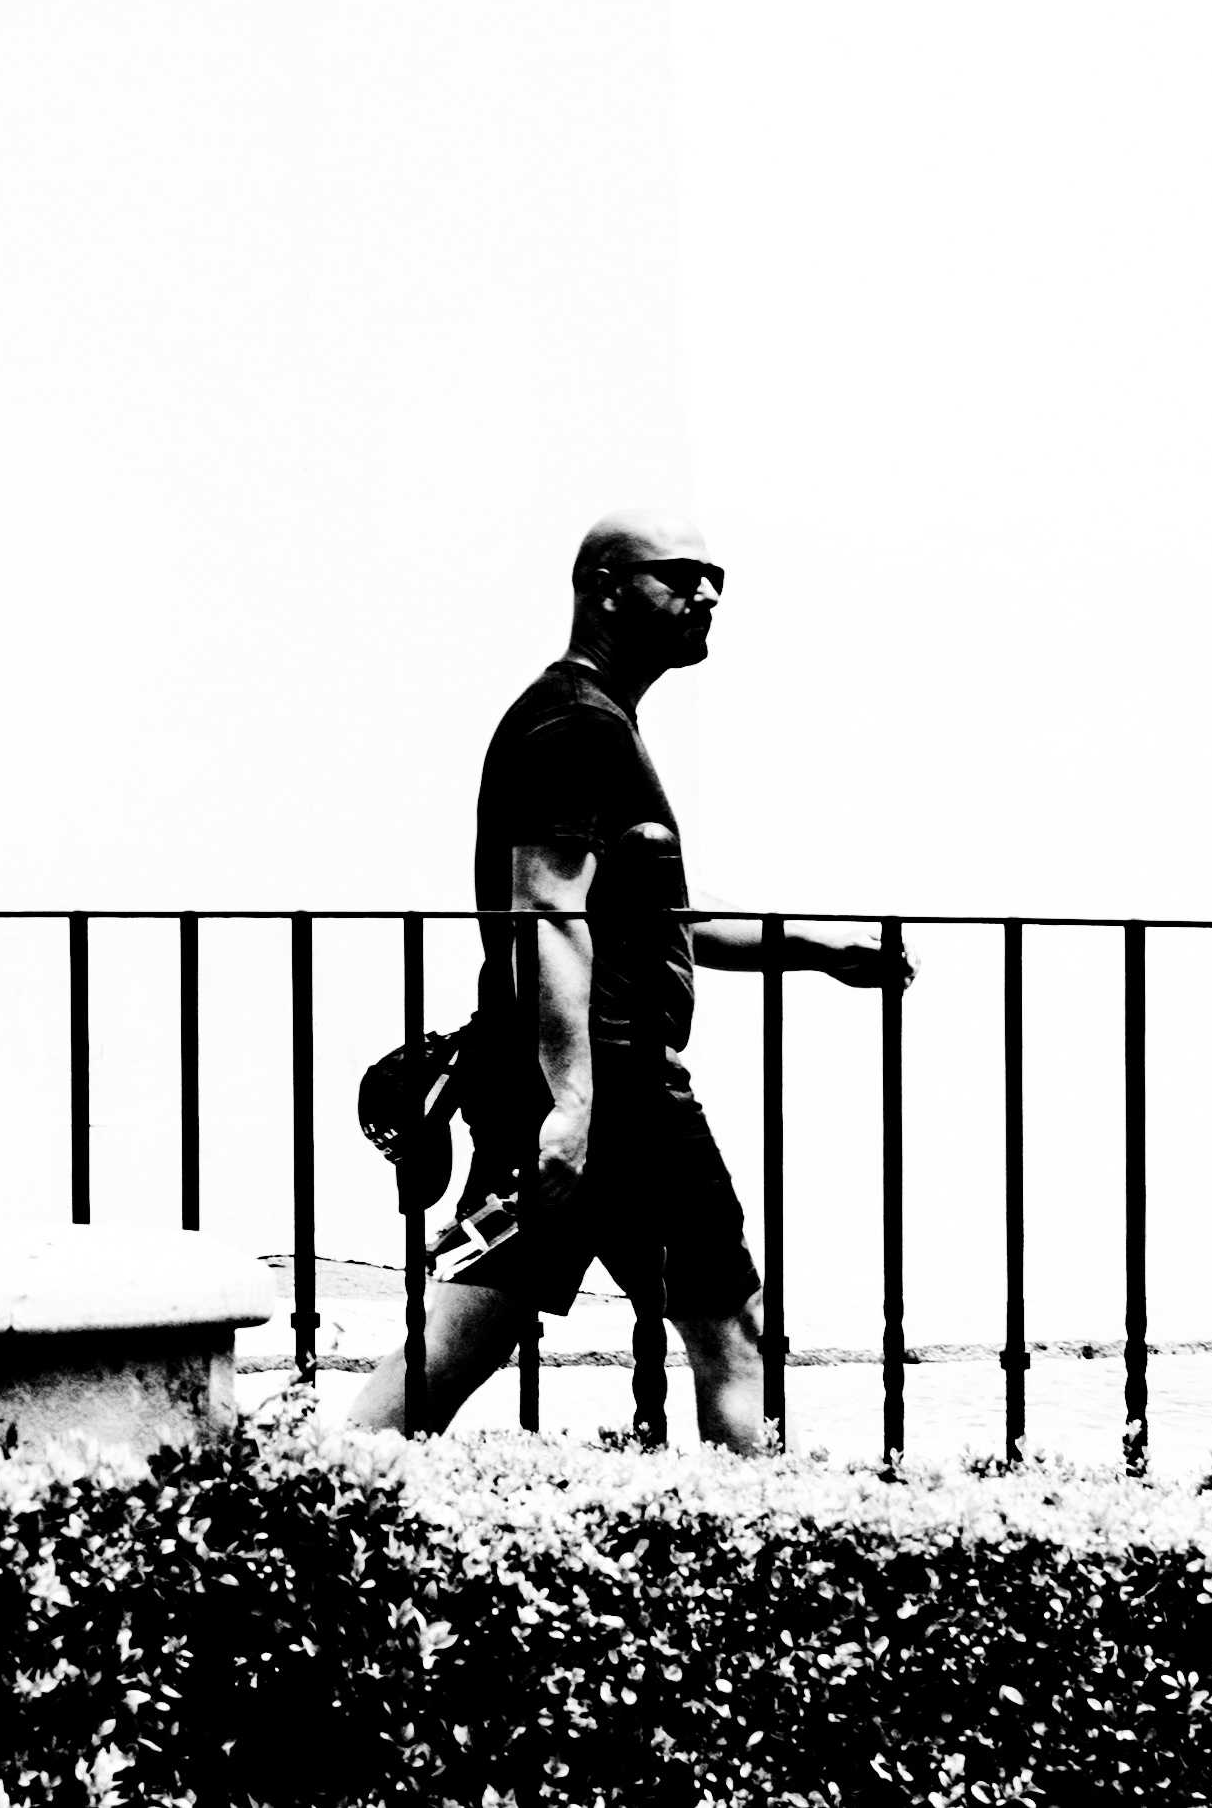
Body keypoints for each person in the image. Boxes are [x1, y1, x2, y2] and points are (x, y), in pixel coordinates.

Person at [352, 509, 908, 1448]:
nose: (709, 594)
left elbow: (652, 917)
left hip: (573, 1082)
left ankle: (319, 1486)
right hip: (611, 1085)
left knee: (475, 1324)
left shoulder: (595, 719)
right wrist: (573, 1104)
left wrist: (819, 951)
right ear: (607, 588)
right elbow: (548, 913)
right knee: (729, 1324)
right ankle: (755, 1522)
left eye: (717, 578)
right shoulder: (575, 727)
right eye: (682, 575)